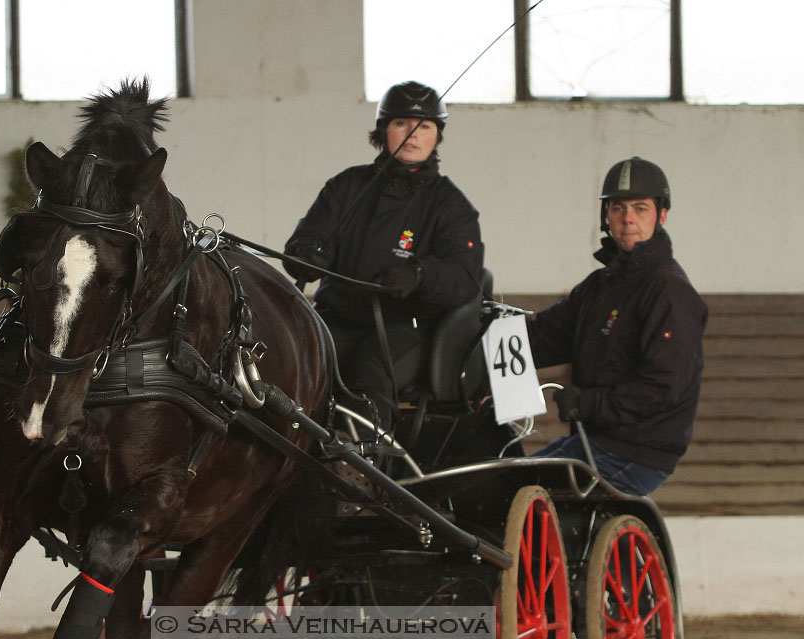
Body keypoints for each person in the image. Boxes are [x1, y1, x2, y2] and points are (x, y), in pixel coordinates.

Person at [283, 81, 484, 432]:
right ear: (383, 130)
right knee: (288, 363)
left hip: (405, 327)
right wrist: (309, 255)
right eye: (401, 124)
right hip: (335, 316)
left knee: (368, 373)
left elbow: (464, 277)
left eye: (424, 126)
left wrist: (418, 275)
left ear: (437, 136)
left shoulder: (451, 205)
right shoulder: (346, 186)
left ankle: (363, 467)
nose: (413, 135)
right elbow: (305, 241)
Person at [527, 157, 708, 495]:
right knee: (505, 478)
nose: (628, 219)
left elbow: (661, 387)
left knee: (518, 489)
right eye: (618, 208)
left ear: (661, 215)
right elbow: (543, 337)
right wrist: (483, 338)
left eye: (640, 209)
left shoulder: (669, 292)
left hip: (634, 453)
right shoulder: (601, 286)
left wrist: (587, 404)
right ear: (606, 216)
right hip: (595, 443)